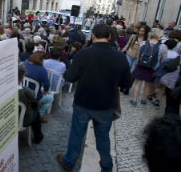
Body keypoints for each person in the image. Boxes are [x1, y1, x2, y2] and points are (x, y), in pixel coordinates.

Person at [57, 24, 132, 172]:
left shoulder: (83, 54)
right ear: (110, 37)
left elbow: (70, 77)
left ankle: (69, 162)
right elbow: (127, 83)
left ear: (93, 36)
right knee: (103, 137)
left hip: (83, 102)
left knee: (77, 133)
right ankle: (106, 166)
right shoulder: (120, 57)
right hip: (105, 105)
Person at [130, 28, 167, 107]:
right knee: (147, 84)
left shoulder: (143, 43)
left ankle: (134, 100)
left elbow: (138, 55)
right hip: (152, 68)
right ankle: (143, 100)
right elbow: (163, 60)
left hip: (140, 66)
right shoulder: (163, 47)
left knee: (137, 83)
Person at [18, 63, 43, 144]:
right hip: (22, 121)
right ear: (22, 79)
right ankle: (38, 137)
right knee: (36, 112)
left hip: (9, 118)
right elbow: (35, 104)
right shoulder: (26, 91)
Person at [23, 52, 53, 119]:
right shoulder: (42, 70)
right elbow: (47, 84)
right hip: (34, 96)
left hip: (23, 92)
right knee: (50, 98)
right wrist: (45, 91)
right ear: (41, 60)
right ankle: (39, 116)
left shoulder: (24, 63)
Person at [121, 25, 148, 94]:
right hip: (129, 54)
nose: (141, 32)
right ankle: (122, 85)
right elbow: (128, 44)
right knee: (126, 69)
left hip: (137, 58)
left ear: (145, 32)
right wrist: (122, 51)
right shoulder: (133, 37)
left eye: (143, 31)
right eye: (140, 30)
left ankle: (127, 88)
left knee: (132, 73)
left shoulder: (146, 40)